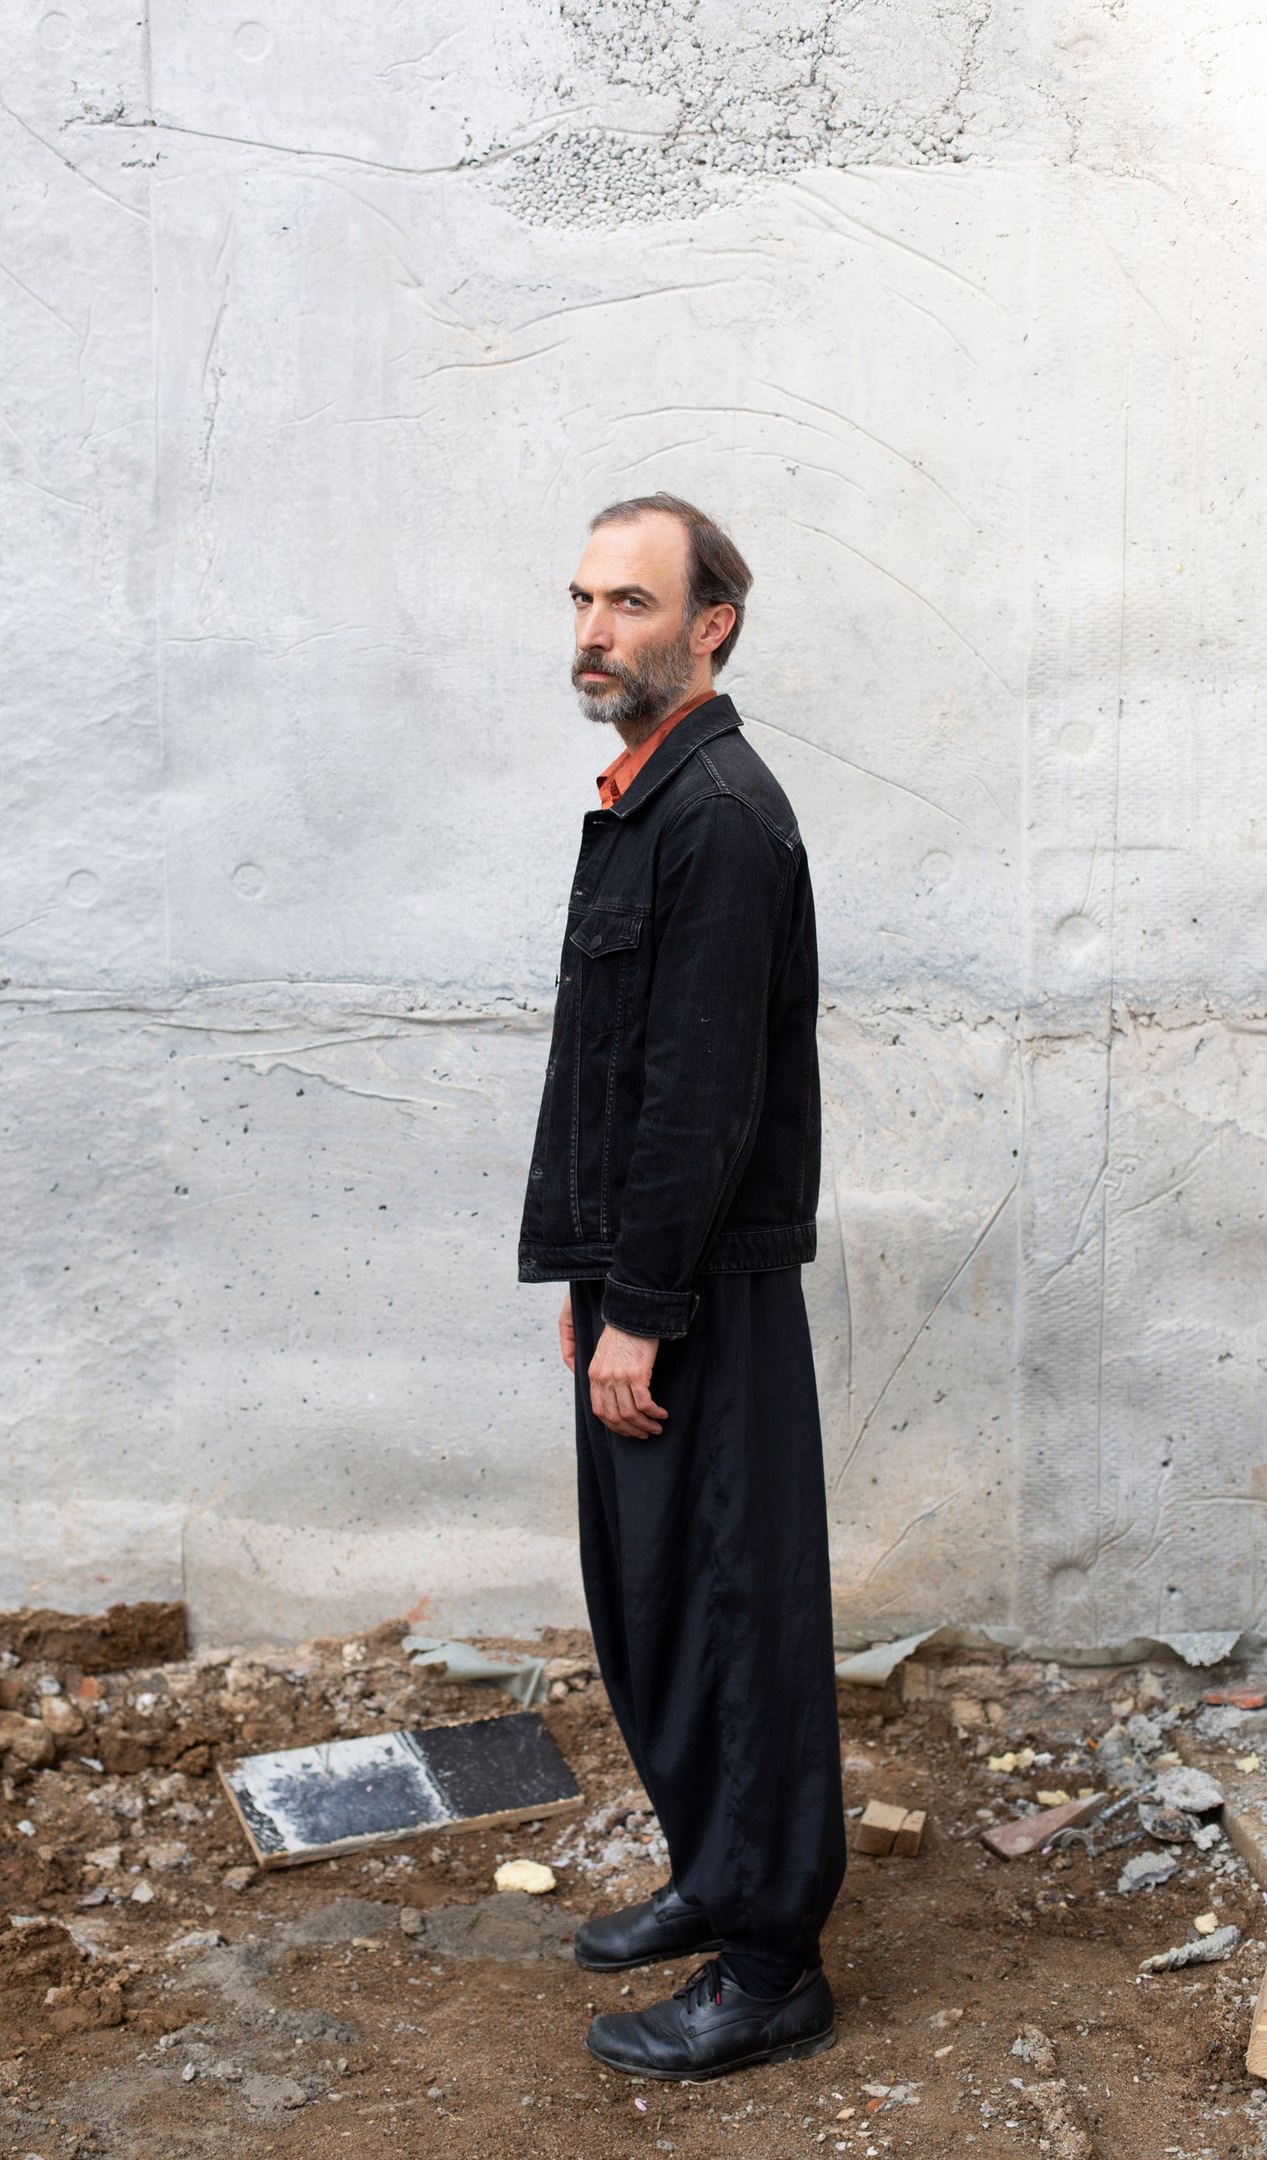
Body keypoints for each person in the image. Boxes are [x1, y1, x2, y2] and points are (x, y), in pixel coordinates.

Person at [517, 492, 846, 2081]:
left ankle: (773, 1962)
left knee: (729, 1615)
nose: (595, 631)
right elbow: (618, 1075)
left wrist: (643, 1306)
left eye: (631, 604)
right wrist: (594, 1281)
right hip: (642, 1279)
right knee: (656, 1609)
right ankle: (717, 1875)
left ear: (710, 625)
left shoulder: (716, 813)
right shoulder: (647, 800)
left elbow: (700, 1096)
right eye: (583, 600)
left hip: (699, 1294)